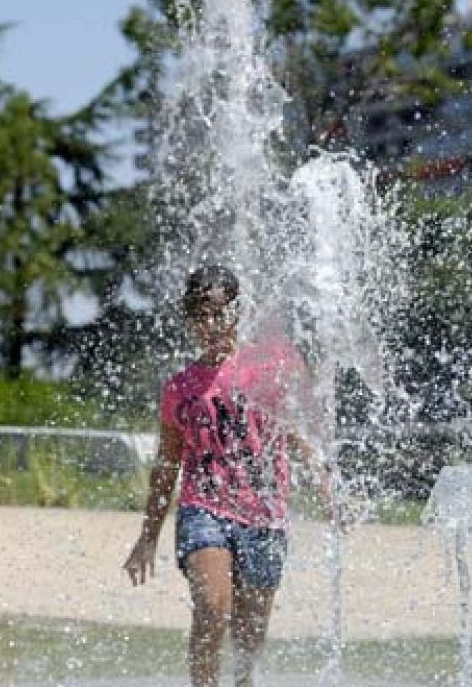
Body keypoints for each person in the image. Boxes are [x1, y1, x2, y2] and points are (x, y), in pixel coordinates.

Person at [122, 265, 329, 687]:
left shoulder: (264, 370)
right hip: (204, 509)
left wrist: (326, 482)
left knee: (249, 636)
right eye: (200, 315)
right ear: (188, 317)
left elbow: (290, 433)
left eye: (220, 313)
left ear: (237, 313)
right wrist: (148, 536)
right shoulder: (180, 388)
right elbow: (167, 466)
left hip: (264, 514)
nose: (210, 325)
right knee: (213, 605)